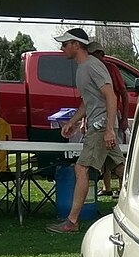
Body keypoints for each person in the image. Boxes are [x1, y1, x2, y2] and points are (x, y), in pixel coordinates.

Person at [47, 28, 124, 234]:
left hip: (100, 127)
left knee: (81, 169)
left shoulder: (92, 66)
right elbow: (87, 102)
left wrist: (108, 129)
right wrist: (72, 122)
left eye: (65, 44)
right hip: (100, 125)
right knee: (120, 168)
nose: (62, 48)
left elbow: (111, 97)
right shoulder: (83, 67)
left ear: (76, 45)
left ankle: (71, 222)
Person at [89, 42, 129, 197]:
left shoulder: (111, 69)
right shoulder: (89, 70)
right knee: (106, 158)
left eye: (94, 54)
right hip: (97, 119)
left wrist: (124, 118)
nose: (92, 58)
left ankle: (125, 188)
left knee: (117, 157)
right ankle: (107, 188)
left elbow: (123, 94)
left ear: (101, 54)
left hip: (110, 119)